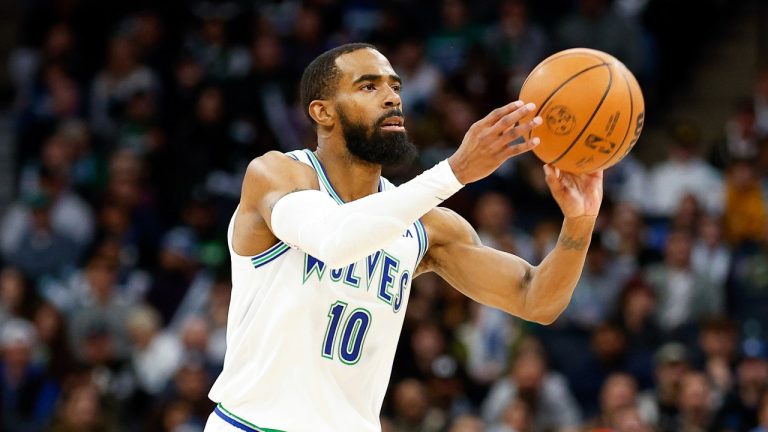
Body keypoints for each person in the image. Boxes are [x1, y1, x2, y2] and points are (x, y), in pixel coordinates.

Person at [204, 43, 603, 432]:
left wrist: (580, 224)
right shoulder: (277, 175)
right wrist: (456, 171)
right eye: (368, 86)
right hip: (251, 425)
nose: (392, 97)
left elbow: (537, 299)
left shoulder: (423, 224)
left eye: (395, 85)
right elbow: (334, 240)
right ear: (322, 112)